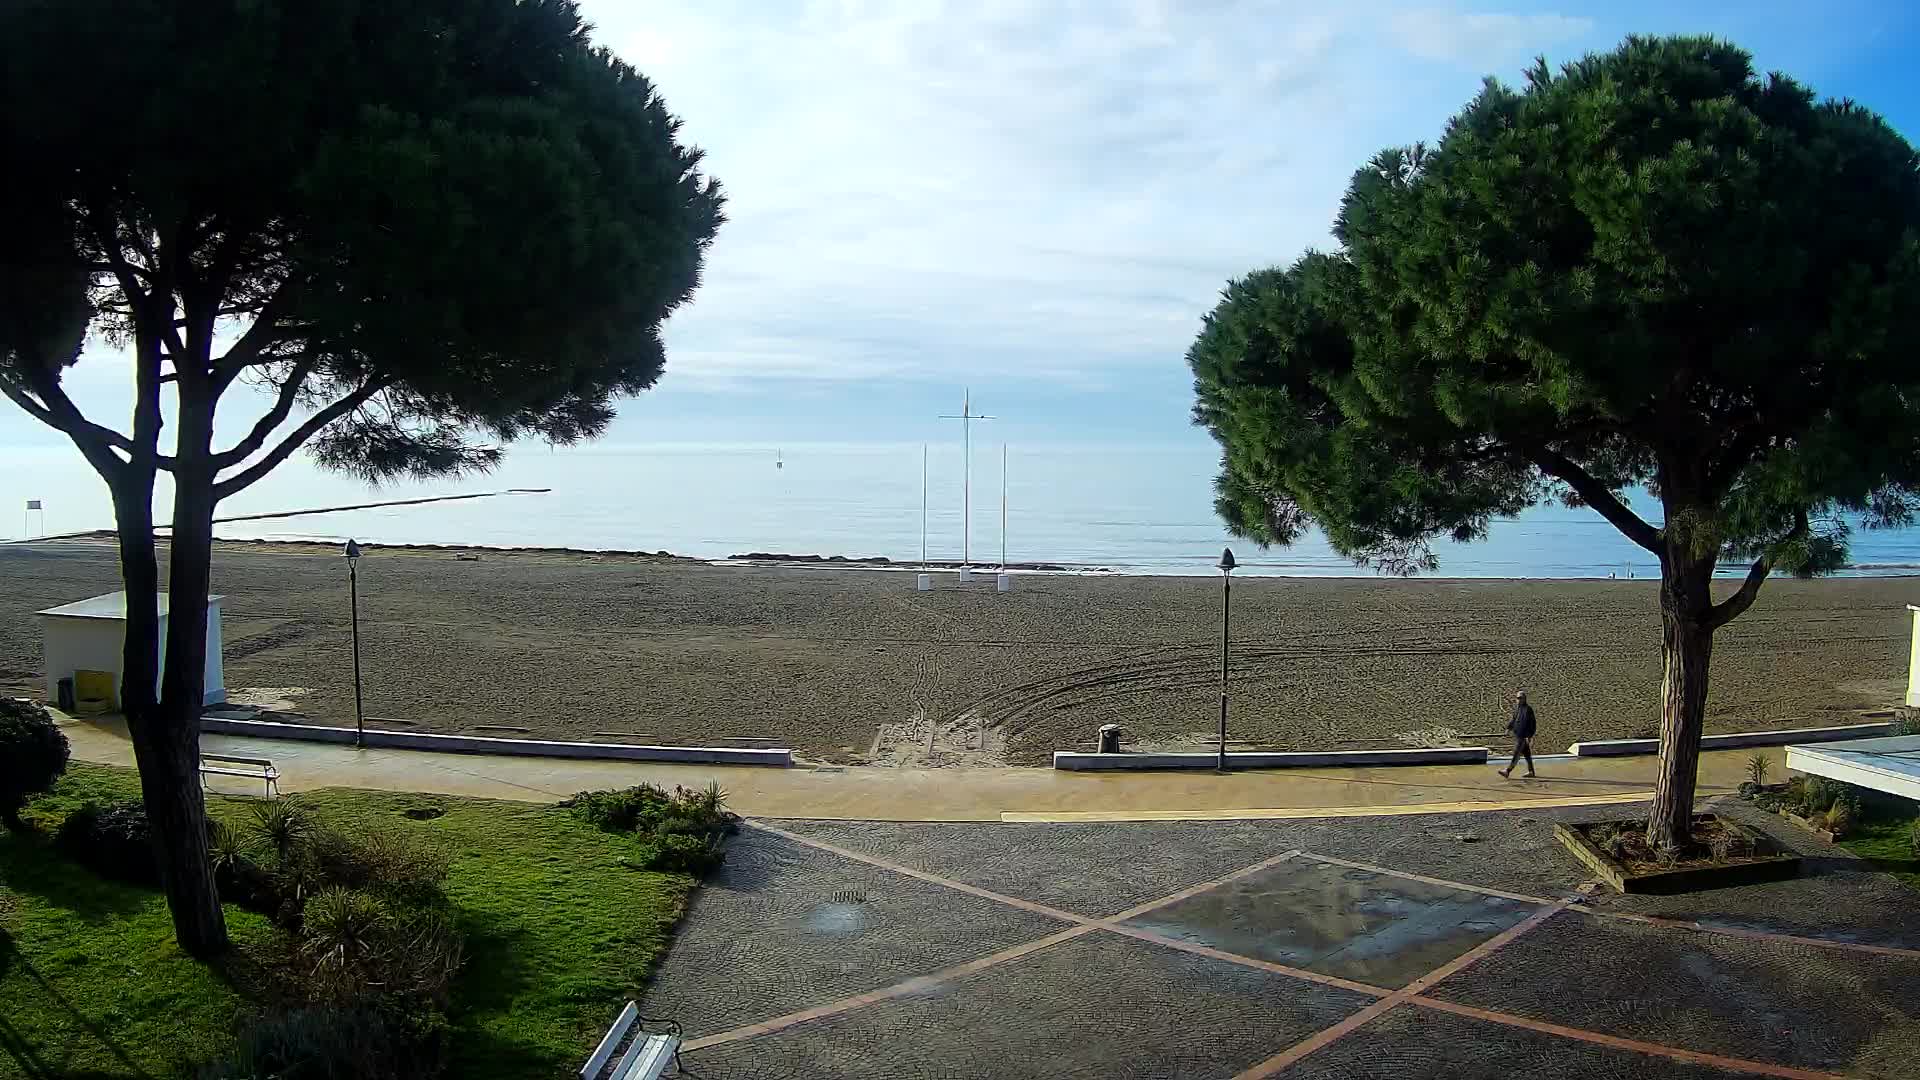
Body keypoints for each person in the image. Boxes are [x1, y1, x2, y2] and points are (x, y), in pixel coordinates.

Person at [1499, 690, 1536, 779]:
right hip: (1518, 735)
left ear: (1524, 699)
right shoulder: (1517, 709)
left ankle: (1508, 771)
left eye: (1520, 698)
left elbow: (1532, 724)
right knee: (1527, 754)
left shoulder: (1528, 710)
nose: (1518, 700)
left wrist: (1529, 736)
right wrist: (1508, 728)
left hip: (1523, 736)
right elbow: (1513, 719)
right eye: (1517, 698)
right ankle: (1531, 771)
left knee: (1516, 753)